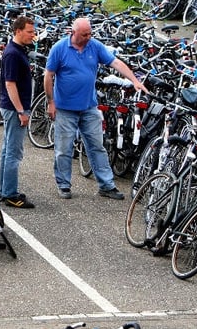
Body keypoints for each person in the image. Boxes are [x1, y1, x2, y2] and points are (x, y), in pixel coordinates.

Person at [43, 17, 148, 200]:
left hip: (89, 107)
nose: (88, 37)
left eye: (90, 33)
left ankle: (106, 185)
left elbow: (116, 63)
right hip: (65, 108)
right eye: (84, 34)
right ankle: (64, 185)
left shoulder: (94, 46)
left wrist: (135, 80)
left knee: (97, 146)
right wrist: (51, 102)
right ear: (73, 32)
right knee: (63, 149)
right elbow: (48, 76)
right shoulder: (59, 49)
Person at [0, 16, 36, 208]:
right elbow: (10, 84)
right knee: (14, 152)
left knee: (7, 150)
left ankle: (4, 189)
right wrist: (21, 111)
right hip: (14, 108)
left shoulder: (17, 50)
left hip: (11, 107)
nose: (33, 35)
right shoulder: (13, 54)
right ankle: (11, 194)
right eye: (29, 31)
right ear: (18, 31)